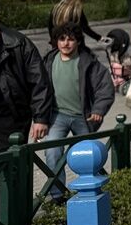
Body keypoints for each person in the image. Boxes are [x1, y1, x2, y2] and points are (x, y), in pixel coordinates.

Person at [41, 23, 115, 201]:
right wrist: (39, 119)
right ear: (56, 41)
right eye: (62, 39)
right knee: (52, 150)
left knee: (90, 156)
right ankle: (58, 196)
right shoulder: (48, 61)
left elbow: (105, 87)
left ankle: (96, 193)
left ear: (78, 42)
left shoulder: (88, 62)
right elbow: (38, 89)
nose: (66, 43)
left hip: (83, 117)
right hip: (57, 116)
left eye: (71, 39)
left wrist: (98, 109)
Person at [0, 0, 52, 153]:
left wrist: (40, 118)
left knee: (12, 166)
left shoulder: (18, 43)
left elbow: (39, 81)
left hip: (11, 121)